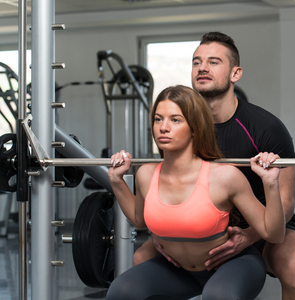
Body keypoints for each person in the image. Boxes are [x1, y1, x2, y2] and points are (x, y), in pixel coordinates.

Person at [134, 32, 295, 300]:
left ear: (235, 73)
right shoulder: (180, 125)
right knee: (142, 257)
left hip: (263, 222)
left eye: (214, 62)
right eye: (197, 62)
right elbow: (168, 186)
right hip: (205, 222)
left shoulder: (267, 128)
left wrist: (249, 236)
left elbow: (286, 203)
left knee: (293, 267)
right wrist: (165, 232)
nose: (202, 67)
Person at [106, 85, 285, 300]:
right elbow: (139, 220)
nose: (164, 127)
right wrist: (116, 181)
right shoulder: (146, 174)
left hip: (233, 265)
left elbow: (274, 233)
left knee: (218, 296)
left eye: (175, 120)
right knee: (121, 292)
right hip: (179, 271)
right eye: (158, 119)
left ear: (195, 127)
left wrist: (271, 183)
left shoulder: (224, 177)